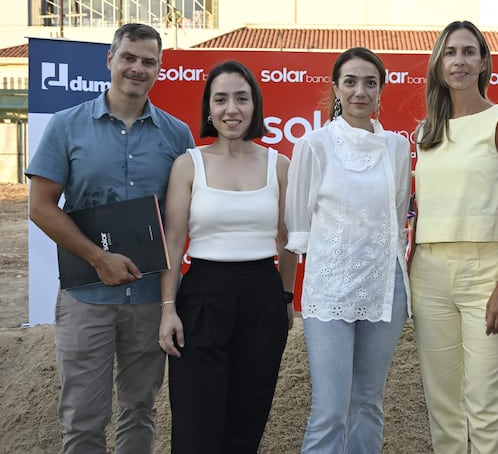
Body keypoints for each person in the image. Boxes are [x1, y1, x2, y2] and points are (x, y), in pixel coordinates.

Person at [25, 23, 195, 454]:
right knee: (83, 419)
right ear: (110, 60)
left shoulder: (177, 136)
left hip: (148, 302)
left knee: (140, 412)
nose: (137, 68)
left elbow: (182, 219)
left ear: (159, 68)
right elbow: (40, 206)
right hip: (86, 298)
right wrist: (98, 257)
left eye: (148, 61)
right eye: (129, 58)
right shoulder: (67, 126)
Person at [157, 60, 296, 453]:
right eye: (220, 100)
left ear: (256, 107)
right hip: (201, 299)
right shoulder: (188, 164)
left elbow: (287, 240)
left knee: (245, 426)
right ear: (208, 109)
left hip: (263, 299)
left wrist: (285, 298)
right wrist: (168, 308)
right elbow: (173, 241)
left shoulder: (280, 165)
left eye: (241, 98)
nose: (231, 109)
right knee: (196, 429)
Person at [409, 20, 498, 453]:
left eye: (467, 52)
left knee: (487, 408)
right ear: (438, 64)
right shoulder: (426, 132)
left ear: (483, 62)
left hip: (487, 273)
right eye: (449, 52)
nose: (458, 61)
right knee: (443, 410)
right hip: (429, 275)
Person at [285, 47, 411, 453]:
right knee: (330, 410)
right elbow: (298, 227)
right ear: (336, 88)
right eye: (351, 81)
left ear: (381, 90)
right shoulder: (314, 146)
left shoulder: (396, 148)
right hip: (329, 292)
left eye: (370, 83)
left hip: (384, 288)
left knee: (368, 404)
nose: (360, 91)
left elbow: (396, 219)